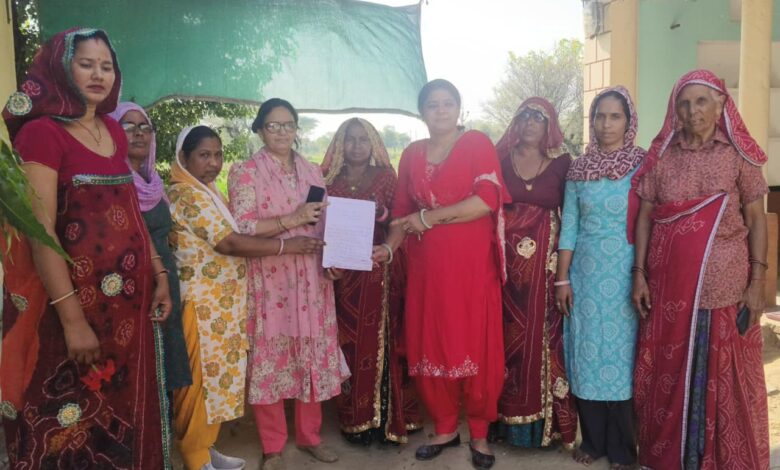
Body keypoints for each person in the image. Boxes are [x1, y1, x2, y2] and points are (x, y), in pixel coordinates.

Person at [1, 28, 168, 469]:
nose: (98, 75)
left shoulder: (113, 130)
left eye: (106, 66)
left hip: (126, 312)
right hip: (68, 311)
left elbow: (130, 210)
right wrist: (73, 320)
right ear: (61, 68)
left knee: (121, 415)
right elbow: (40, 230)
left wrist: (160, 273)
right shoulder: (41, 134)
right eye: (86, 64)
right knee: (65, 423)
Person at [631, 70, 770, 469]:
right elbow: (646, 216)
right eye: (684, 103)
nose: (692, 111)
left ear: (721, 104)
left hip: (724, 288)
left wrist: (757, 281)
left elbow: (756, 219)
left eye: (701, 101)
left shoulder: (738, 156)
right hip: (669, 291)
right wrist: (638, 273)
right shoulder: (662, 157)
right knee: (669, 371)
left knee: (724, 377)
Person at [168, 125, 325, 470]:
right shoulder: (186, 194)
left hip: (221, 306)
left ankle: (205, 448)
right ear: (183, 157)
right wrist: (286, 245)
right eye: (203, 155)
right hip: (202, 306)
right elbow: (229, 242)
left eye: (218, 154)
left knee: (216, 381)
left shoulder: (207, 191)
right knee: (200, 385)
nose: (213, 163)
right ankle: (195, 457)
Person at [372, 79, 506, 470]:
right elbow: (401, 214)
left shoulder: (476, 143)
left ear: (459, 108)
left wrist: (429, 218)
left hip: (470, 269)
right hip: (426, 271)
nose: (441, 110)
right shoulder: (412, 154)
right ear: (422, 112)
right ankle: (446, 428)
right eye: (433, 104)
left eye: (448, 103)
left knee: (473, 345)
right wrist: (389, 248)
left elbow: (486, 201)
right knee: (431, 344)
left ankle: (479, 433)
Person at [228, 98, 347, 470]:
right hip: (270, 280)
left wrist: (332, 261)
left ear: (297, 129)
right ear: (260, 130)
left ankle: (310, 437)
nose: (282, 132)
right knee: (271, 357)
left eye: (288, 125)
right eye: (273, 125)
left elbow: (324, 224)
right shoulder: (245, 171)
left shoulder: (313, 171)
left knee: (310, 355)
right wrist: (290, 220)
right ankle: (273, 447)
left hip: (311, 278)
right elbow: (242, 226)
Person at [555, 86, 644, 470]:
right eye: (600, 116)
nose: (606, 124)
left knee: (621, 359)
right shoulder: (579, 169)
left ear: (629, 121)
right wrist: (562, 279)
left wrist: (643, 273)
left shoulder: (643, 165)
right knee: (588, 355)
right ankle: (592, 441)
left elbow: (648, 223)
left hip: (627, 273)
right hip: (586, 278)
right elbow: (570, 226)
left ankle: (623, 449)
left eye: (615, 116)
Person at [321, 118, 422, 445]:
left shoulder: (386, 177)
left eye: (363, 139)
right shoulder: (326, 179)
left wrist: (386, 240)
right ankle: (357, 418)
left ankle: (391, 418)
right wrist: (327, 262)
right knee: (350, 343)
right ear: (340, 144)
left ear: (374, 143)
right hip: (343, 276)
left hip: (381, 269)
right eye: (350, 139)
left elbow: (400, 221)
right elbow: (316, 226)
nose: (356, 146)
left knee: (387, 340)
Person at [491, 97, 577, 449]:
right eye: (524, 116)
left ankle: (548, 426)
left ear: (549, 126)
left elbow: (571, 216)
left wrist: (564, 276)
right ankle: (506, 422)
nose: (529, 123)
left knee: (544, 339)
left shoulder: (562, 165)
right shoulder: (499, 160)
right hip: (506, 271)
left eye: (538, 118)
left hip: (546, 270)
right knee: (506, 338)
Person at [108, 102, 192, 394]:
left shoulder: (154, 184)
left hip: (164, 280)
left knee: (164, 361)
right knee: (139, 363)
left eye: (145, 127)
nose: (139, 133)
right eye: (128, 126)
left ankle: (164, 423)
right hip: (133, 284)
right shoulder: (111, 181)